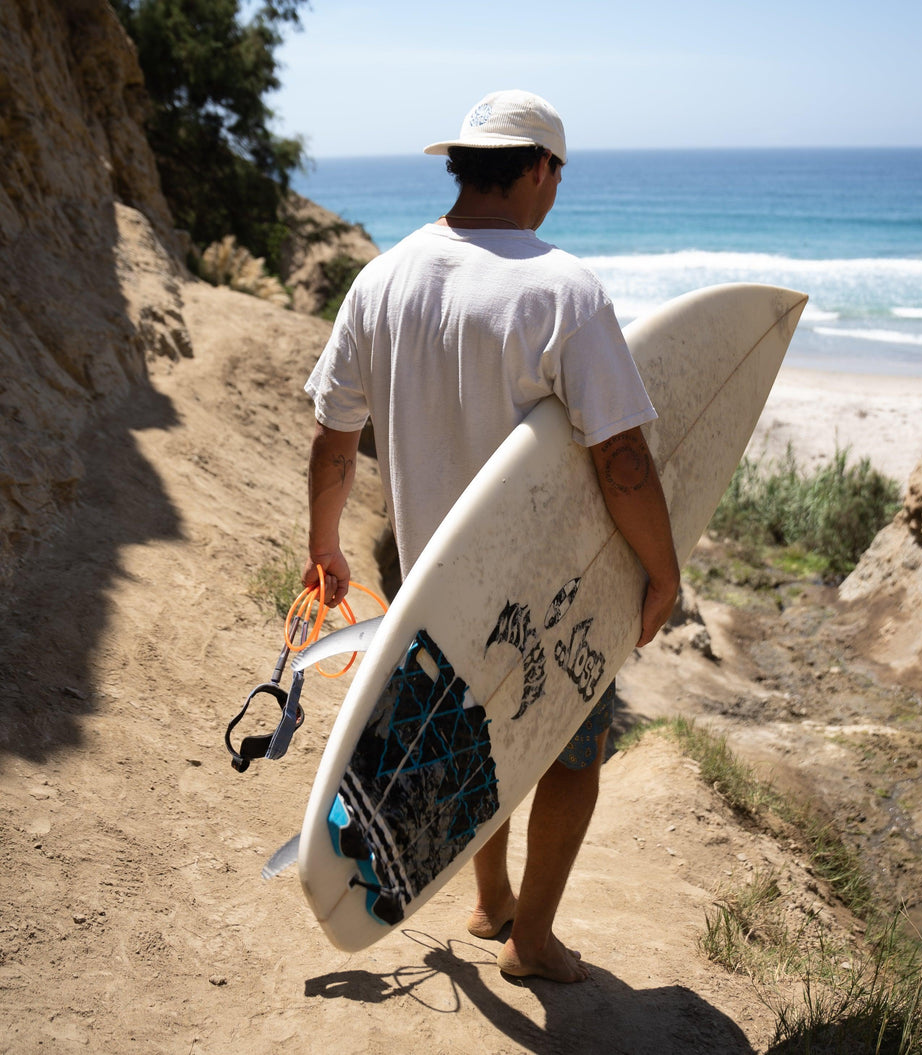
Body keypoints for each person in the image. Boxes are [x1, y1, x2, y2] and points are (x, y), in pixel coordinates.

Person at [302, 89, 680, 983]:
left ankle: (489, 897)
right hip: (543, 579)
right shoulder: (563, 289)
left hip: (423, 559)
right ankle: (531, 940)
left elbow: (333, 435)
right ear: (539, 170)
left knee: (472, 722)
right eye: (559, 174)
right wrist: (662, 571)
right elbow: (620, 458)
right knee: (565, 739)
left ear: (464, 166)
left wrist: (325, 545)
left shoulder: (383, 277)